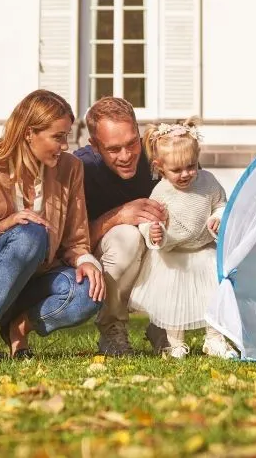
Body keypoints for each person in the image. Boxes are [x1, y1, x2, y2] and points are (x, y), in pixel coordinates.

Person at [0, 89, 105, 362]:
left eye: (67, 136)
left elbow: (75, 241)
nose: (65, 145)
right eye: (58, 136)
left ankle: (18, 327)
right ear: (29, 133)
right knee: (30, 233)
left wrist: (85, 260)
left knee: (91, 290)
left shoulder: (70, 168)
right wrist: (1, 226)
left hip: (36, 282)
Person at [129, 120, 237, 359]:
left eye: (190, 167)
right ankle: (174, 343)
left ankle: (215, 339)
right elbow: (148, 220)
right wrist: (154, 233)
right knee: (174, 302)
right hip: (173, 257)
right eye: (176, 170)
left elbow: (221, 203)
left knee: (213, 296)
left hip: (203, 250)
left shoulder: (208, 182)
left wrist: (218, 217)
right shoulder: (161, 192)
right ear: (159, 167)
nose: (185, 174)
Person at [74, 97, 169, 356]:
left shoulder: (162, 153)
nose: (126, 156)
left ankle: (167, 324)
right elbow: (71, 243)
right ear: (94, 146)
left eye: (131, 144)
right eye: (114, 149)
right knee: (127, 236)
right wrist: (118, 216)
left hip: (161, 251)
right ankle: (112, 328)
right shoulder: (80, 168)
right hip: (105, 260)